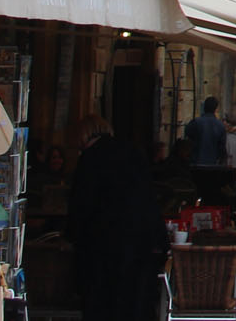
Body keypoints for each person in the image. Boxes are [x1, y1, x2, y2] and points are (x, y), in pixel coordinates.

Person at [70, 118, 157, 321]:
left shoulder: (90, 159)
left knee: (104, 305)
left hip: (104, 248)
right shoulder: (133, 152)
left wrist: (72, 235)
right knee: (134, 304)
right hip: (140, 245)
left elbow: (81, 206)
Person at [184, 97, 235, 201]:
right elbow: (222, 149)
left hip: (196, 165)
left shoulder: (196, 122)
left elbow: (187, 135)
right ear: (215, 109)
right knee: (209, 196)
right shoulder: (220, 126)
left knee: (195, 194)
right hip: (212, 167)